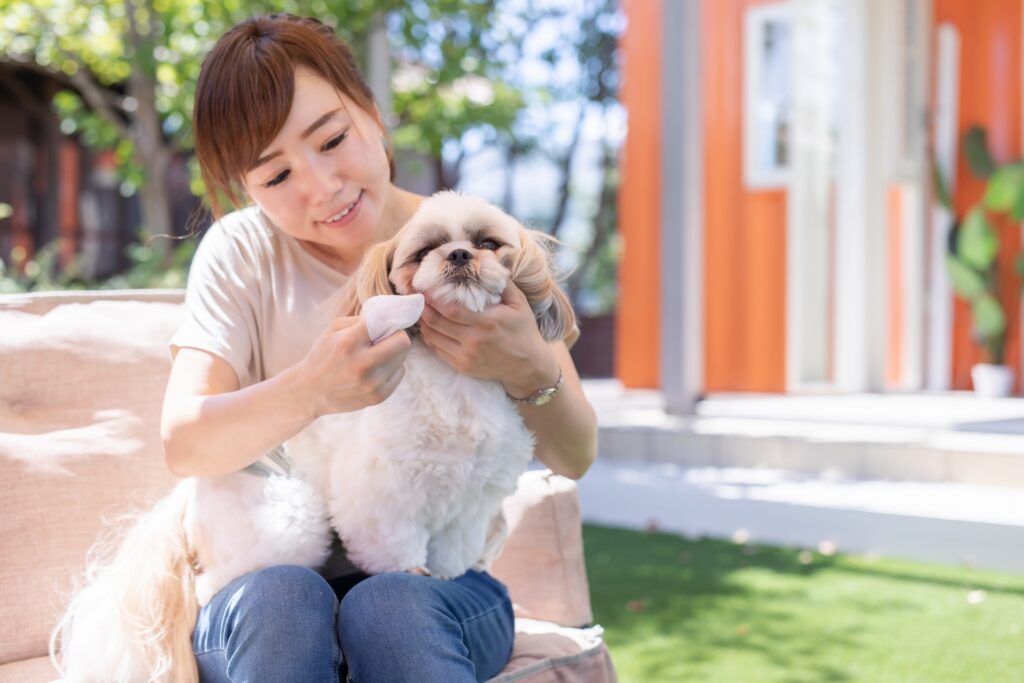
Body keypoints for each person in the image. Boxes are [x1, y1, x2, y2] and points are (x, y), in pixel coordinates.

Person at [160, 13, 598, 683]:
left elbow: (575, 455)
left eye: (333, 139)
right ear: (245, 191)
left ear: (371, 110)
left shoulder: (478, 241)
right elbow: (184, 443)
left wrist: (528, 367)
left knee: (389, 607)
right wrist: (315, 389)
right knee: (287, 600)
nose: (321, 186)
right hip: (269, 590)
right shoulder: (241, 255)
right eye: (276, 177)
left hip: (442, 586)